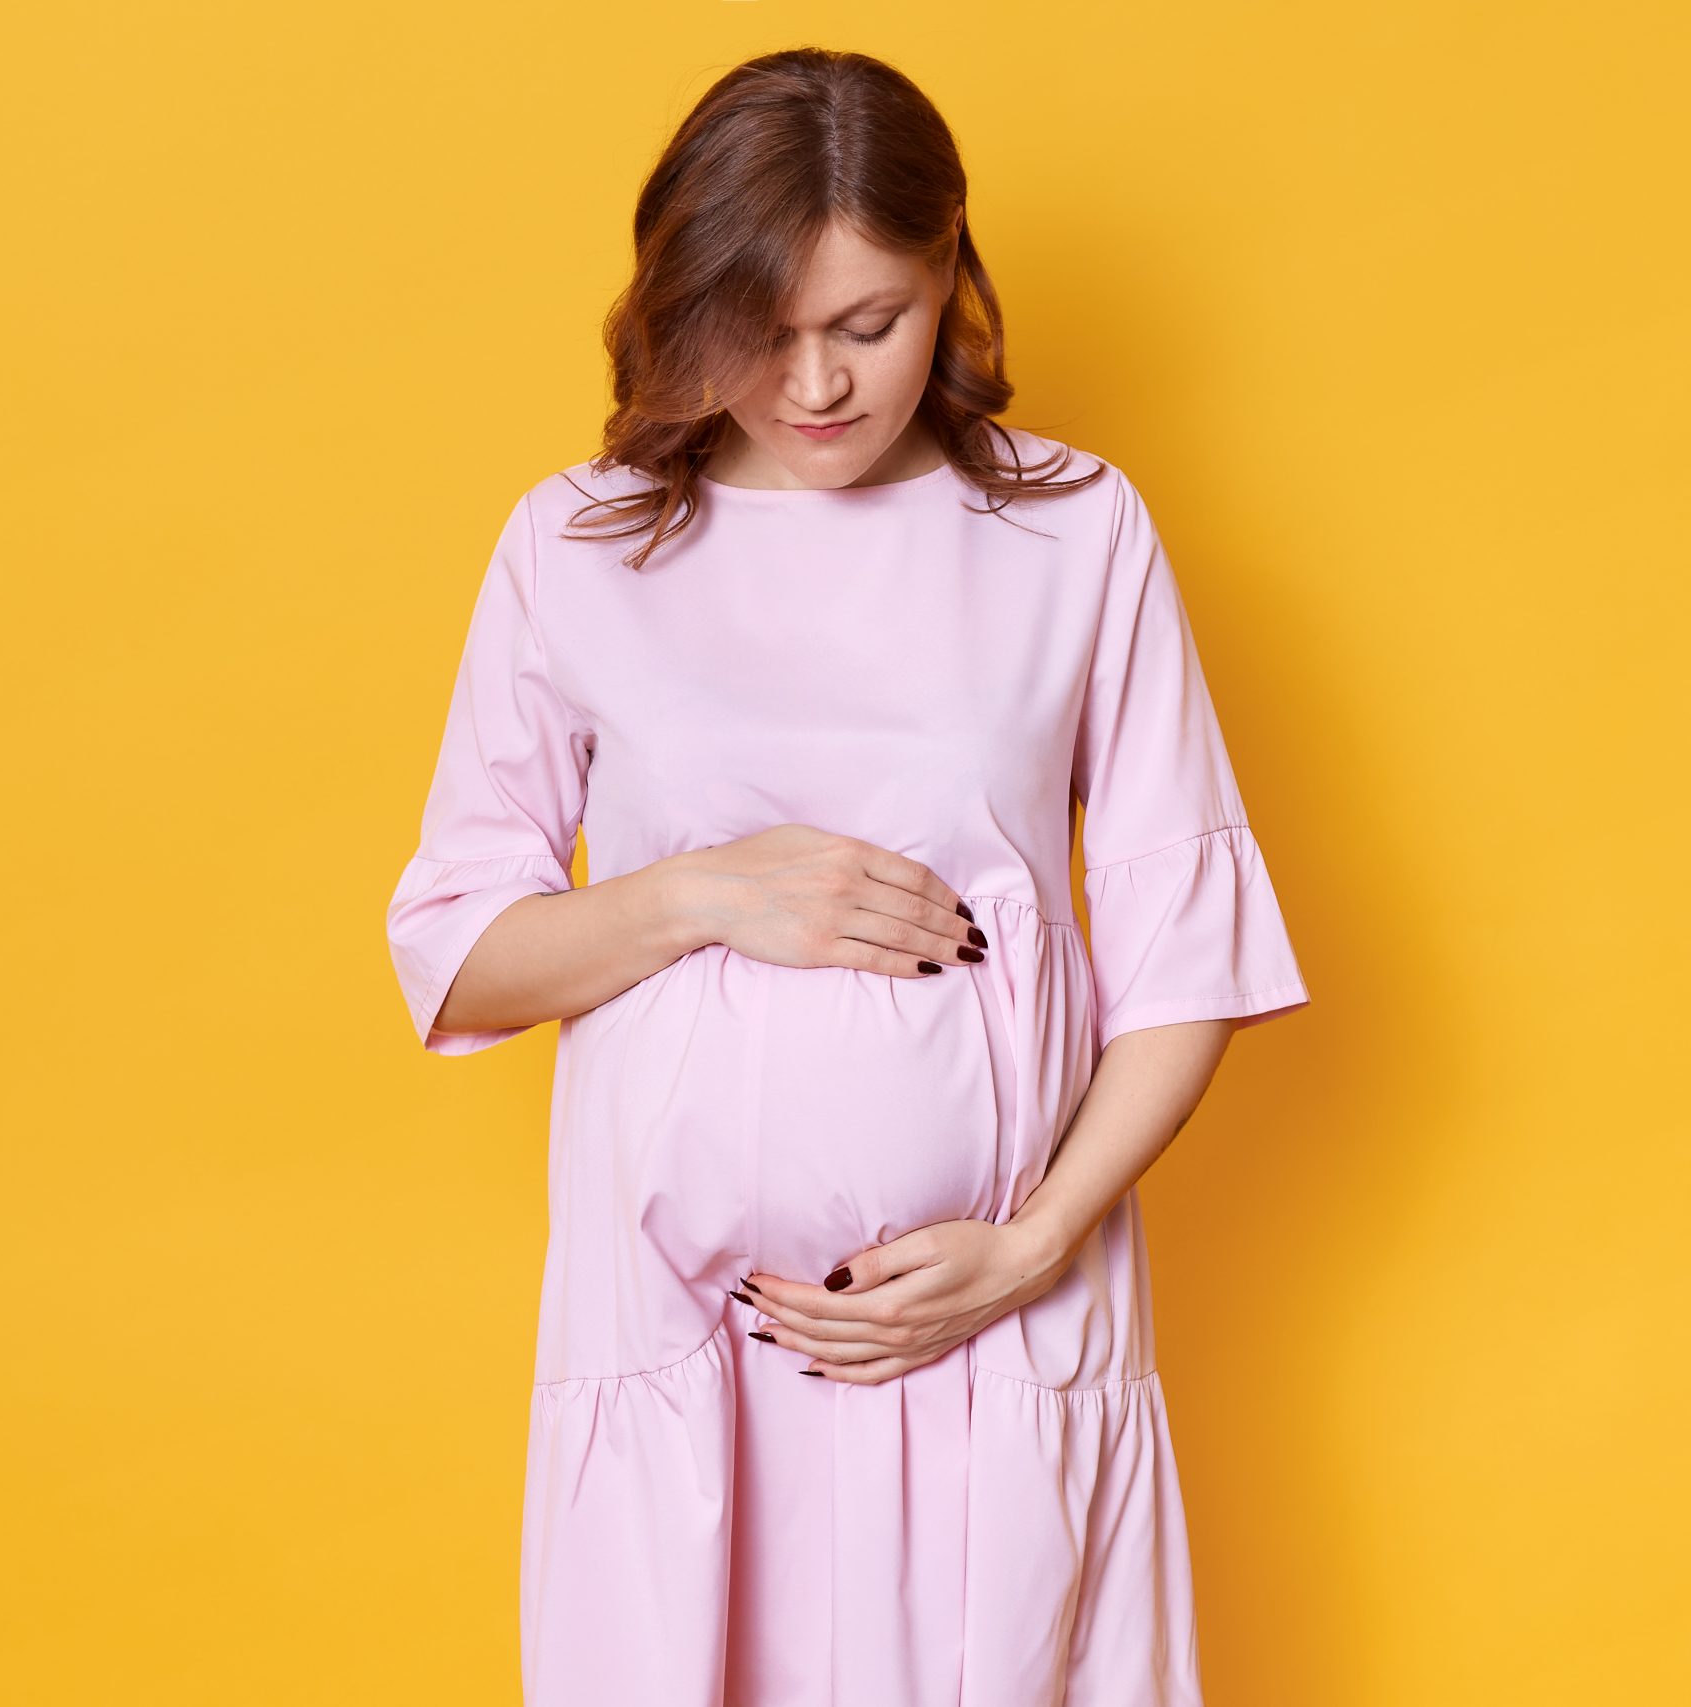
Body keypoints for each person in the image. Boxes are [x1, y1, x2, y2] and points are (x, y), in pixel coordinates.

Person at [385, 47, 1310, 1707]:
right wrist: (703, 894)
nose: (814, 383)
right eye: (763, 330)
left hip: (999, 1329)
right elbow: (456, 958)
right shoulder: (577, 547)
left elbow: (1192, 967)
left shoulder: (1072, 534)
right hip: (687, 1352)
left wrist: (1032, 1250)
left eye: (867, 325)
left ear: (950, 277)